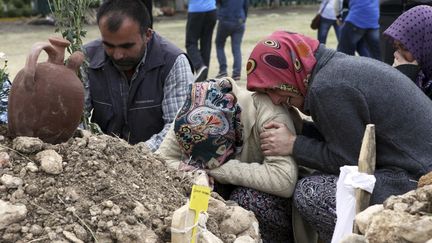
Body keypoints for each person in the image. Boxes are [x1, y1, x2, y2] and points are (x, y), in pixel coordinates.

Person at [246, 31, 432, 242]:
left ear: (290, 72)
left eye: (273, 88)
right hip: (412, 168)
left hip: (415, 180)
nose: (275, 99)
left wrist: (293, 144)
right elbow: (349, 136)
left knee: (311, 193)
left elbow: (349, 162)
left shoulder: (326, 87)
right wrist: (302, 130)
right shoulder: (333, 71)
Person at [156, 78, 298, 242]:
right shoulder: (192, 111)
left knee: (245, 199)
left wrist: (214, 169)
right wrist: (196, 173)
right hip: (221, 185)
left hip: (270, 201)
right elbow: (160, 159)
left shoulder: (268, 112)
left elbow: (284, 179)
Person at [83, 0, 194, 151]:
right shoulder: (86, 58)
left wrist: (135, 155)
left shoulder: (173, 62)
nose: (118, 55)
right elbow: (75, 120)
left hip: (155, 160)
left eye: (127, 46)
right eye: (108, 45)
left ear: (147, 35)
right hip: (101, 160)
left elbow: (177, 128)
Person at [383, 5, 432, 99]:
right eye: (396, 47)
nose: (396, 54)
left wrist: (407, 74)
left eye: (405, 48)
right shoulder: (423, 77)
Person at [214, 0, 248, 81]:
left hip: (225, 20)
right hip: (239, 20)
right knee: (236, 47)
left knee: (219, 44)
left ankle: (223, 70)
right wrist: (244, 18)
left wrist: (219, 15)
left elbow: (217, 3)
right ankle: (236, 73)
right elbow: (246, 6)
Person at [185, 0, 217, 80]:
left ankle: (200, 66)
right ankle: (203, 75)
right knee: (206, 44)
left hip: (196, 10)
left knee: (190, 43)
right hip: (212, 10)